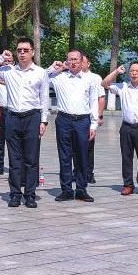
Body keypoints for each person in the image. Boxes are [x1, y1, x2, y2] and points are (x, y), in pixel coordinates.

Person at [0, 38, 49, 209]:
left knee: (31, 159)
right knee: (14, 159)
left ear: (32, 52)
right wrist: (1, 58)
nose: (22, 53)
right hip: (12, 117)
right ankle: (15, 194)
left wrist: (44, 121)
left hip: (32, 117)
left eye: (26, 50)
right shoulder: (8, 71)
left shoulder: (40, 72)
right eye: (19, 50)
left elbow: (44, 98)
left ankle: (30, 195)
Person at [102, 63, 138, 196]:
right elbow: (104, 83)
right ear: (129, 73)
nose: (134, 73)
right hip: (126, 127)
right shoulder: (122, 87)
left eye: (137, 71)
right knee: (126, 157)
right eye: (132, 71)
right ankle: (128, 184)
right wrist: (116, 72)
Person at [47, 50, 99, 202]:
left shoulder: (90, 79)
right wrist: (54, 68)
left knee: (82, 156)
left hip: (83, 121)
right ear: (67, 61)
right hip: (64, 120)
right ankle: (66, 190)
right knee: (64, 156)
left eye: (76, 59)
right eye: (70, 59)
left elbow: (94, 101)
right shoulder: (58, 78)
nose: (73, 62)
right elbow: (41, 77)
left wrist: (94, 124)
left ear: (82, 61)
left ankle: (81, 189)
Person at [82, 55, 106, 184]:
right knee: (75, 146)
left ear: (88, 63)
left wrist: (99, 115)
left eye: (83, 62)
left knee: (89, 146)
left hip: (90, 116)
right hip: (77, 115)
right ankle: (77, 171)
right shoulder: (74, 76)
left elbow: (101, 97)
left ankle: (89, 173)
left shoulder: (95, 78)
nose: (81, 64)